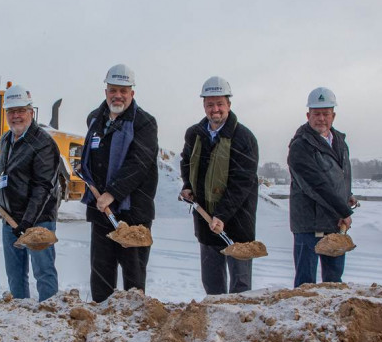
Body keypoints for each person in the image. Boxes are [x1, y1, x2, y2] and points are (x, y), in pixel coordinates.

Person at [78, 64, 159, 302]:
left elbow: (139, 163)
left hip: (133, 212)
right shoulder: (95, 119)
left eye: (123, 91)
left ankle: (135, 323)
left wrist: (112, 192)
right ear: (106, 91)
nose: (118, 96)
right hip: (101, 210)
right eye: (113, 90)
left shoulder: (144, 122)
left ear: (132, 93)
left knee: (133, 276)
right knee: (101, 272)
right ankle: (102, 320)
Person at [179, 76, 260, 295]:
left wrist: (222, 215)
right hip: (206, 221)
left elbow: (242, 183)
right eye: (210, 104)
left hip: (237, 223)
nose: (215, 109)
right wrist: (187, 185)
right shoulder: (194, 134)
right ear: (204, 105)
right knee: (212, 285)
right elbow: (186, 162)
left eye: (220, 104)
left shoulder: (244, 138)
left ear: (229, 105)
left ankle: (239, 326)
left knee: (240, 289)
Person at [0, 84, 61, 301]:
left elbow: (43, 187)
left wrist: (27, 222)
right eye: (11, 111)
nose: (16, 116)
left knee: (43, 272)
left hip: (38, 222)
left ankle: (50, 316)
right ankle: (19, 317)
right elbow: (3, 172)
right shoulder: (6, 139)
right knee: (15, 274)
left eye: (21, 111)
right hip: (10, 219)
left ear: (31, 112)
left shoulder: (43, 143)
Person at [287, 86, 356, 287]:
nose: (321, 119)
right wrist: (343, 209)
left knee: (333, 282)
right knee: (305, 283)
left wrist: (347, 194)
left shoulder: (340, 141)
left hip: (334, 223)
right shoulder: (300, 146)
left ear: (333, 115)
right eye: (316, 114)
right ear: (308, 115)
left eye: (326, 114)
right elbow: (315, 184)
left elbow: (342, 174)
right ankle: (302, 317)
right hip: (309, 224)